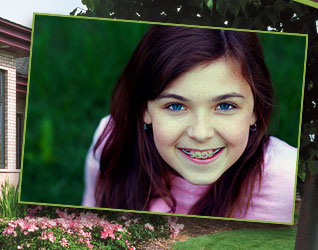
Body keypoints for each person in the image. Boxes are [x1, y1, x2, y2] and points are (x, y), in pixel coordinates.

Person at [82, 25, 297, 223]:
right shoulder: (114, 142)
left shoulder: (289, 179)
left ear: (254, 111)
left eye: (225, 106)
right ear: (145, 110)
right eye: (176, 106)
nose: (201, 133)